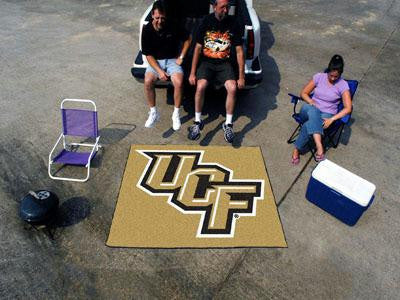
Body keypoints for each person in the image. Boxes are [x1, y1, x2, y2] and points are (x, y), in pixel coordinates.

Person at [188, 0, 245, 143]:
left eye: (228, 7)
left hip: (224, 63)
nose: (226, 10)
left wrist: (241, 77)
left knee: (232, 88)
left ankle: (228, 124)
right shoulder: (205, 22)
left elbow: (239, 51)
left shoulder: (234, 23)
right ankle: (197, 122)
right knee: (200, 86)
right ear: (214, 7)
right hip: (207, 62)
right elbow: (197, 49)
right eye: (222, 7)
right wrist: (192, 72)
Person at [291, 54, 352, 164]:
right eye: (331, 75)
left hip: (327, 115)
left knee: (308, 125)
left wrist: (332, 119)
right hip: (308, 110)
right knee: (312, 110)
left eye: (336, 77)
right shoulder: (319, 77)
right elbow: (303, 93)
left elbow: (348, 108)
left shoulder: (343, 85)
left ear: (340, 74)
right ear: (328, 70)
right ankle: (319, 146)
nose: (333, 78)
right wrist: (310, 101)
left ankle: (296, 149)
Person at [141, 1, 192, 130]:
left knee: (179, 82)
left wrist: (181, 57)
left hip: (172, 60)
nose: (160, 21)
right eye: (157, 18)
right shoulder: (147, 30)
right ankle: (153, 112)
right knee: (147, 81)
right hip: (155, 61)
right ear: (152, 15)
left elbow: (188, 39)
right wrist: (159, 72)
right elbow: (148, 55)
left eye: (162, 18)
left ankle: (175, 114)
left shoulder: (173, 25)